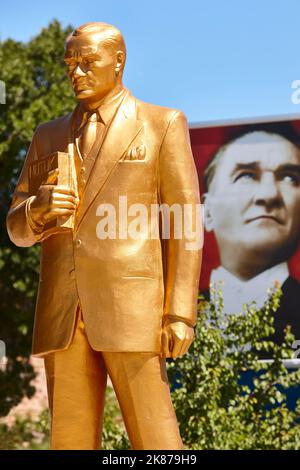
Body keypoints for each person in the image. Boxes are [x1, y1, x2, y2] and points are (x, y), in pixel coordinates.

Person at [6, 22, 201, 450]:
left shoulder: (161, 124)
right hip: (63, 315)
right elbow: (16, 228)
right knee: (69, 442)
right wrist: (37, 209)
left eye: (88, 62)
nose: (76, 72)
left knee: (157, 441)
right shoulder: (47, 136)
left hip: (135, 311)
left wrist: (180, 312)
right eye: (70, 64)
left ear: (119, 61)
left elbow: (184, 223)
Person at [203, 123, 300, 346]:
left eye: (289, 178)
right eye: (246, 175)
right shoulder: (174, 317)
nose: (268, 195)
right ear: (207, 212)